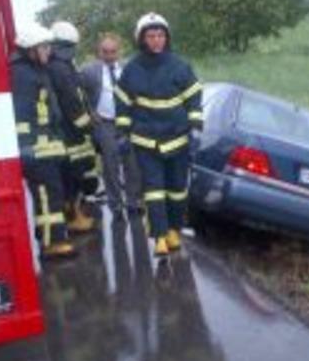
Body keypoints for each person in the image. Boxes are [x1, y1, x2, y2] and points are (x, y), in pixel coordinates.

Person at [115, 13, 203, 257]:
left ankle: (174, 230)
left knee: (177, 189)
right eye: (151, 36)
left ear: (167, 37)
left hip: (178, 138)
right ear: (142, 39)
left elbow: (194, 97)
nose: (156, 40)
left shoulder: (180, 66)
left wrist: (195, 127)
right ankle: (159, 237)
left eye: (160, 35)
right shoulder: (132, 69)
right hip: (146, 141)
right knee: (154, 190)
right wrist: (122, 133)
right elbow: (122, 103)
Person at [9, 24, 75, 258]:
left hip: (44, 145)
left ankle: (53, 237)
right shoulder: (23, 75)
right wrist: (36, 142)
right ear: (31, 49)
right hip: (35, 148)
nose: (49, 51)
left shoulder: (34, 71)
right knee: (47, 195)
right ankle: (52, 243)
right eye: (45, 47)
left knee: (51, 192)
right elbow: (25, 115)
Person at [81, 33, 142, 221]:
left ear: (119, 51)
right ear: (99, 52)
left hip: (129, 124)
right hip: (105, 124)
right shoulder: (89, 71)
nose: (109, 55)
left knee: (133, 165)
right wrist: (89, 112)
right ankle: (116, 205)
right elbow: (75, 92)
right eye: (105, 52)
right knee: (110, 166)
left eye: (113, 52)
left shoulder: (129, 69)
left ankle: (133, 203)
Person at [47, 21, 98, 233]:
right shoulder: (61, 66)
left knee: (71, 175)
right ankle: (73, 217)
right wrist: (87, 125)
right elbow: (70, 99)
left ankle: (71, 214)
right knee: (73, 176)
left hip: (63, 131)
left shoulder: (55, 63)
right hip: (71, 133)